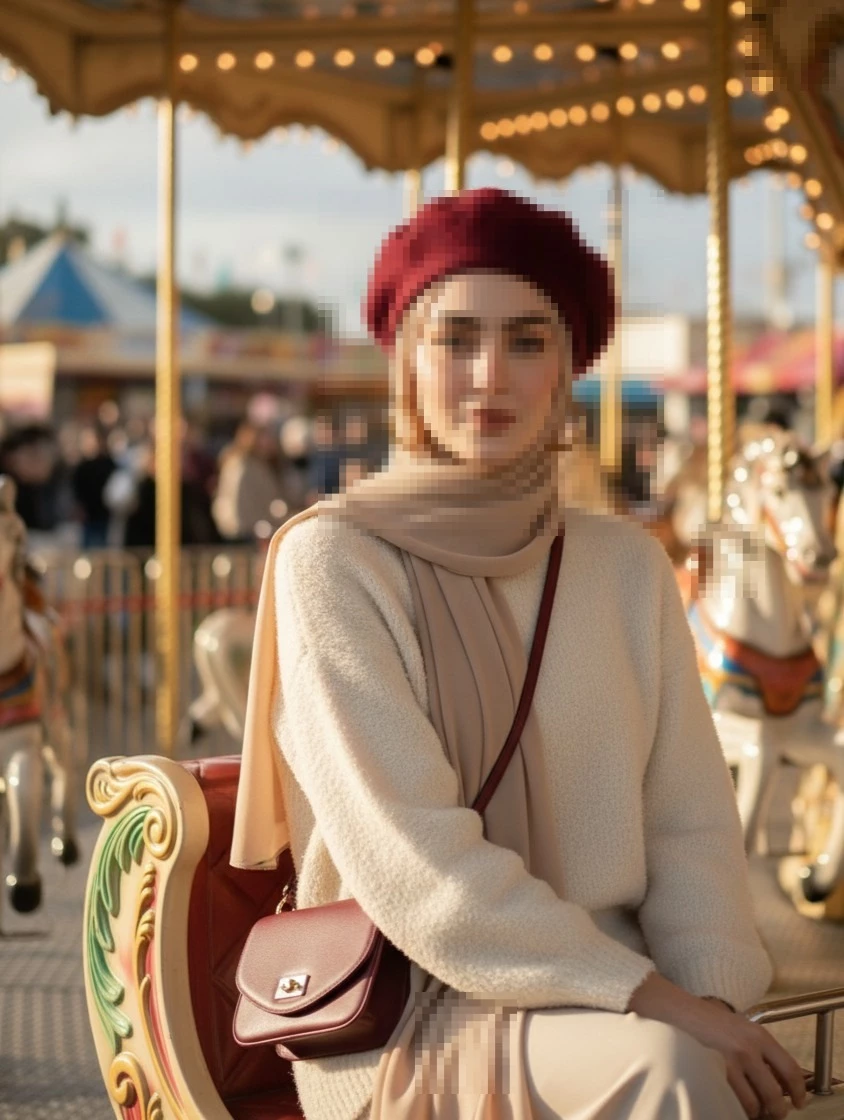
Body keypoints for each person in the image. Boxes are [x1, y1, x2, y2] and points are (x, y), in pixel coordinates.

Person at [230, 189, 805, 1120]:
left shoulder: (624, 566)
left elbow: (691, 827)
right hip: (419, 1005)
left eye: (528, 340)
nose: (489, 375)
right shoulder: (333, 560)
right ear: (406, 362)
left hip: (632, 994)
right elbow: (415, 862)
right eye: (455, 338)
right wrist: (654, 1005)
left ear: (567, 365)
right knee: (670, 1073)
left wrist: (713, 998)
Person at [72, 424, 116, 548]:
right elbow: (77, 489)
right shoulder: (83, 466)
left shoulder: (109, 463)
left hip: (105, 515)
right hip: (89, 516)